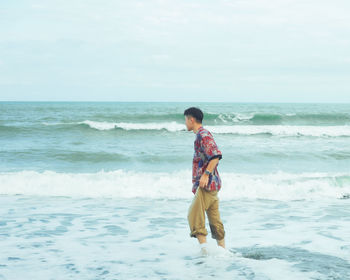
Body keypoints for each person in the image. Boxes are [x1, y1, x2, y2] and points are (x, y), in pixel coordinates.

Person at [184, 107, 226, 254]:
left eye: (185, 120)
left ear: (191, 119)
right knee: (215, 221)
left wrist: (205, 174)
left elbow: (215, 156)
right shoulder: (202, 135)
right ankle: (223, 252)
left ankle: (205, 253)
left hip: (206, 185)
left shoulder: (203, 135)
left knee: (193, 215)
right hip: (211, 185)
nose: (185, 123)